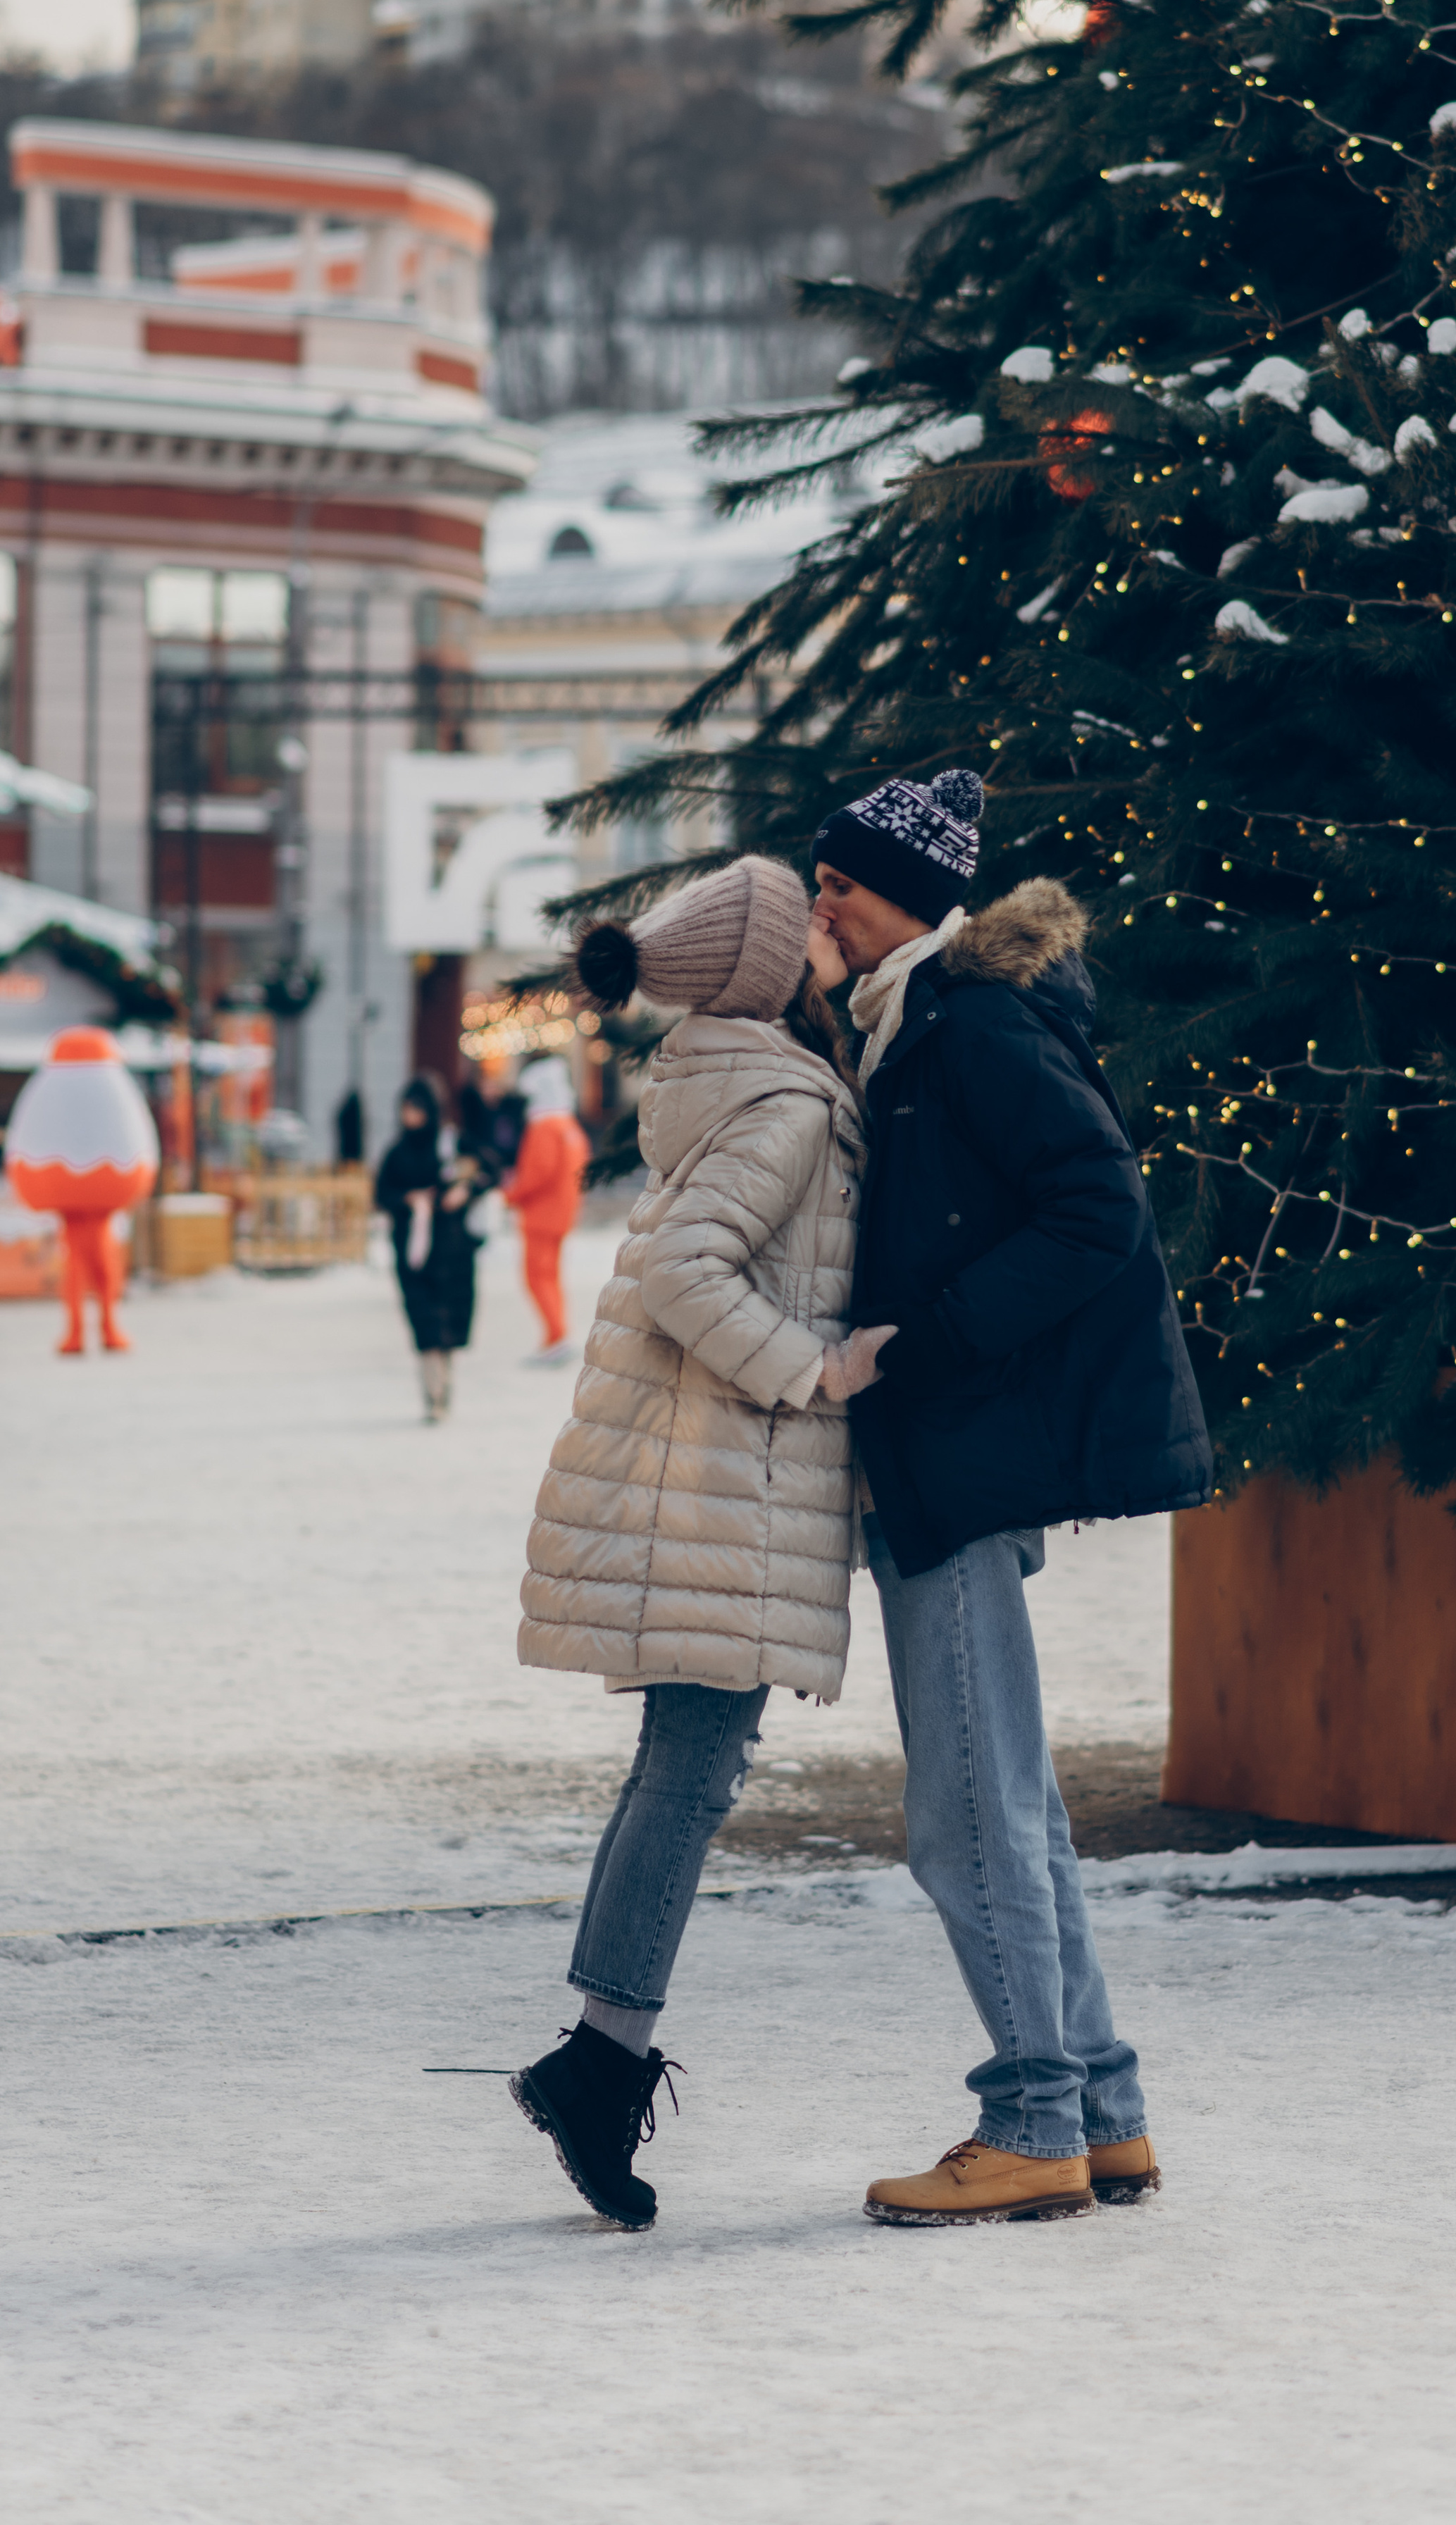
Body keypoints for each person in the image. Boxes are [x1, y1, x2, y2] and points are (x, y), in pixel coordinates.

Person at [809, 768, 1214, 2227]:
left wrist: (923, 1345)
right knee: (1013, 1802)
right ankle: (1099, 2111)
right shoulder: (903, 1018)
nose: (819, 906)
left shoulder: (966, 1020)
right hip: (951, 1447)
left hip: (959, 1448)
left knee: (967, 1813)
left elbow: (1098, 1211)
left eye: (839, 885)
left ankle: (1034, 2119)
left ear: (907, 898)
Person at [510, 857, 888, 2231]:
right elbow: (684, 1272)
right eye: (803, 924)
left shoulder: (720, 1073)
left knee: (681, 1764)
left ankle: (597, 2056)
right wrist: (816, 1368)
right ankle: (596, 2063)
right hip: (725, 1480)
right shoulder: (781, 1098)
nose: (824, 933)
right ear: (764, 970)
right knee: (691, 1770)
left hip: (701, 1478)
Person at [374, 1073, 496, 1422]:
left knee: (448, 1323)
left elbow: (490, 1171)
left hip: (453, 1251)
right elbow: (382, 1193)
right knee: (424, 1322)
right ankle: (434, 1395)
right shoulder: (398, 1151)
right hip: (412, 1252)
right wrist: (409, 1199)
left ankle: (442, 1389)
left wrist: (465, 1191)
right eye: (405, 1108)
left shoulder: (453, 1142)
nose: (409, 1116)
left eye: (416, 1108)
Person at [502, 1053, 591, 1365]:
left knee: (537, 1277)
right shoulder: (569, 1126)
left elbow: (537, 1172)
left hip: (540, 1214)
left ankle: (557, 1336)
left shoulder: (544, 1127)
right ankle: (556, 1336)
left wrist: (509, 1195)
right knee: (550, 1276)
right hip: (562, 1213)